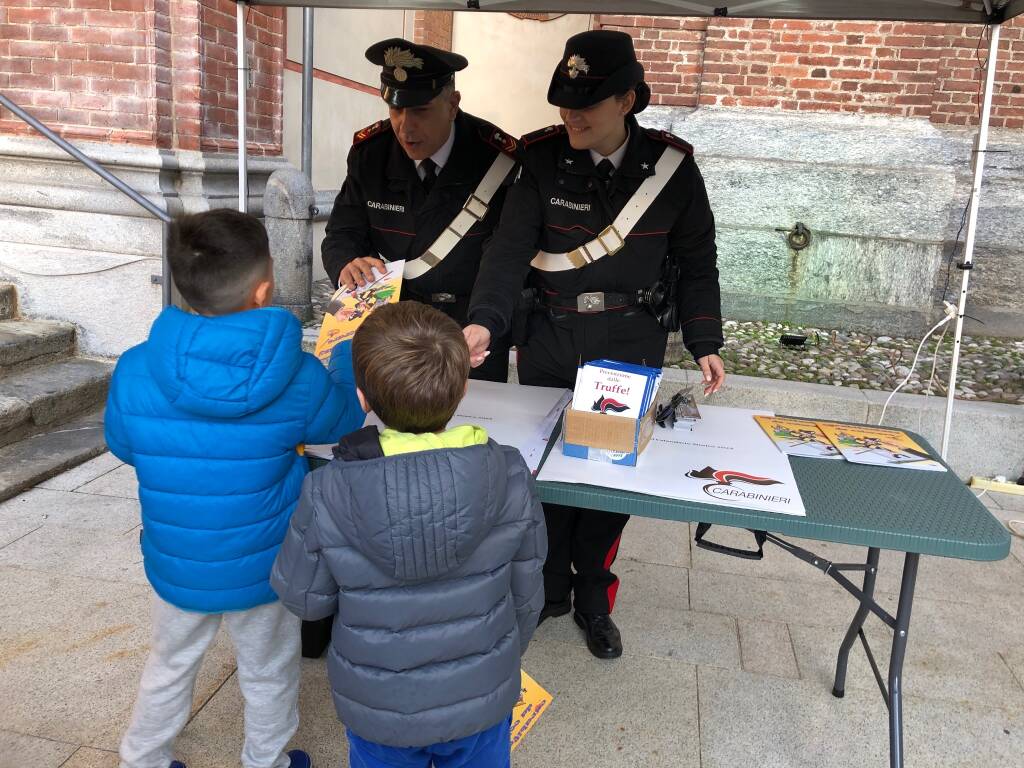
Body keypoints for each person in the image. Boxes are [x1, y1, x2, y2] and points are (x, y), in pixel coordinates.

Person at [464, 30, 726, 661]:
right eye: (564, 100)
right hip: (552, 335)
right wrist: (484, 322)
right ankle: (549, 588)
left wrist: (704, 338)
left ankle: (595, 599)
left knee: (609, 479)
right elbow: (505, 253)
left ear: (628, 99)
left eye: (588, 101)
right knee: (547, 469)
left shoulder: (671, 167)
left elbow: (697, 260)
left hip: (629, 342)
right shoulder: (541, 160)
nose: (570, 114)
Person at [105, 209, 364, 768]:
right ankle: (264, 762)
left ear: (180, 282)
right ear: (265, 286)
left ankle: (141, 760)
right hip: (265, 566)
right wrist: (343, 354)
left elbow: (125, 447)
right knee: (269, 668)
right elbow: (341, 424)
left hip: (178, 561)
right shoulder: (297, 375)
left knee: (169, 663)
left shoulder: (133, 369)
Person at [271, 301, 546, 768]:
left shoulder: (327, 489)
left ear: (362, 396)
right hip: (482, 696)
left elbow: (305, 599)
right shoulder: (511, 473)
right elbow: (527, 592)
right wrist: (500, 658)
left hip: (379, 708)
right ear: (462, 389)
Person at [322, 37, 517, 384]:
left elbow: (504, 254)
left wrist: (486, 319)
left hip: (470, 319)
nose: (405, 126)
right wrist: (346, 264)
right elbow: (342, 232)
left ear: (453, 104)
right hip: (400, 316)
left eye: (421, 111)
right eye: (396, 109)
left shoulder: (494, 158)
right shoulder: (371, 154)